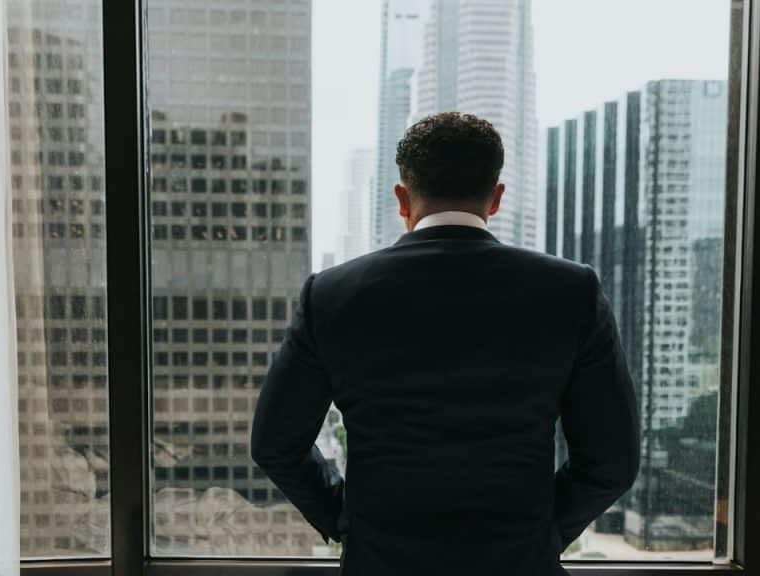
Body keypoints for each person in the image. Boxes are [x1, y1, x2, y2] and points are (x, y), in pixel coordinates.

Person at [251, 112, 640, 575]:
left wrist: (344, 517)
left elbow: (276, 443)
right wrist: (545, 531)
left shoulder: (331, 295)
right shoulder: (570, 292)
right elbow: (612, 460)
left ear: (402, 198)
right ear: (495, 198)